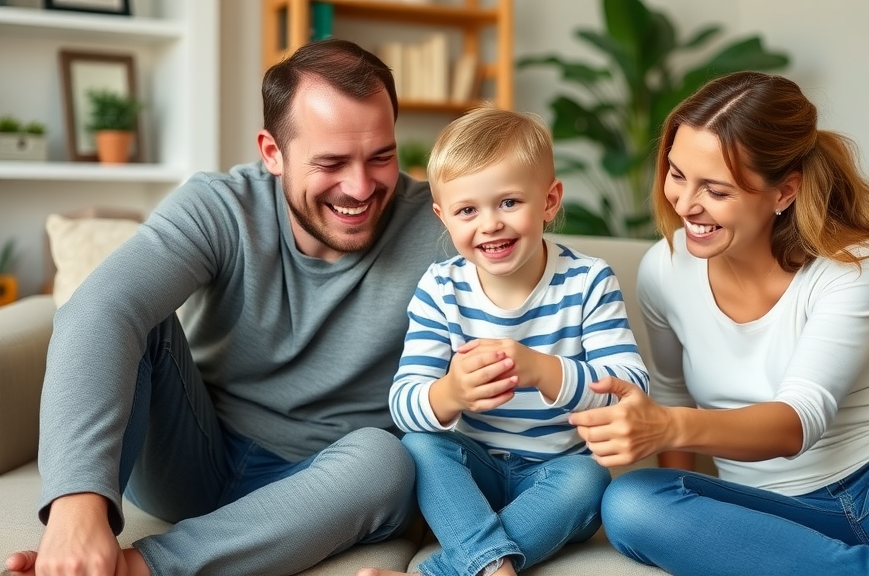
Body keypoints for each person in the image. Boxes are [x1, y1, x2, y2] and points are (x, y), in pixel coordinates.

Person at [5, 38, 448, 576]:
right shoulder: (222, 205)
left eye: (381, 156)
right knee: (135, 318)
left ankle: (142, 569)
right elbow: (98, 310)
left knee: (388, 460)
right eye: (331, 162)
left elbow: (545, 294)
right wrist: (75, 509)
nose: (359, 187)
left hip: (325, 487)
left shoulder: (445, 224)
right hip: (191, 455)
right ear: (272, 153)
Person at [569, 70, 869, 576]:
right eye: (677, 174)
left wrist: (665, 426)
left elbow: (798, 421)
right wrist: (675, 453)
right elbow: (675, 395)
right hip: (778, 524)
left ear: (784, 192)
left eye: (715, 190)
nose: (685, 204)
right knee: (631, 502)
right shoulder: (664, 268)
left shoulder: (853, 264)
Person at [358, 106, 650, 576]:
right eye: (467, 210)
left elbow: (632, 388)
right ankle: (493, 567)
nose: (490, 223)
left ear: (550, 200)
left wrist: (542, 370)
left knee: (591, 478)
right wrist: (450, 393)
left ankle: (458, 570)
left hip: (556, 475)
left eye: (509, 202)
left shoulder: (589, 281)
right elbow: (404, 401)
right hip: (475, 480)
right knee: (420, 444)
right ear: (444, 218)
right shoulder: (441, 289)